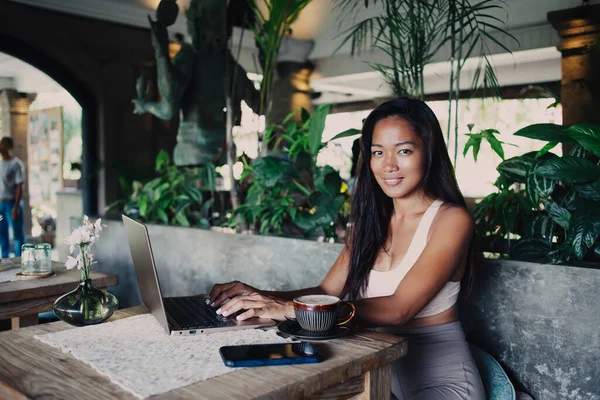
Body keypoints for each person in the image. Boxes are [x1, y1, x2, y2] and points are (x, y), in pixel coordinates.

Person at [207, 98, 485, 399]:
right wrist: (258, 297)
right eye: (378, 152)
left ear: (428, 153)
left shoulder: (451, 220)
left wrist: (288, 310)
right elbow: (326, 291)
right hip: (377, 377)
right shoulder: (370, 224)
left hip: (441, 383)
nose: (389, 165)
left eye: (404, 151)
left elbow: (399, 309)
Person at [0, 137, 26, 258]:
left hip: (12, 204)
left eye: (2, 145)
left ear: (8, 146)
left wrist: (16, 207)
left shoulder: (16, 164)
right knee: (2, 233)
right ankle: (4, 259)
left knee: (17, 235)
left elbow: (20, 187)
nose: (0, 147)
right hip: (0, 204)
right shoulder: (0, 164)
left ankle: (20, 259)